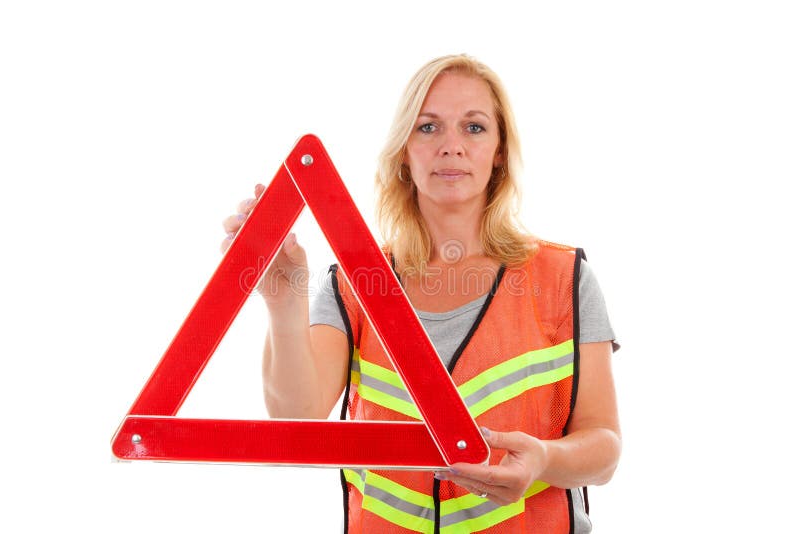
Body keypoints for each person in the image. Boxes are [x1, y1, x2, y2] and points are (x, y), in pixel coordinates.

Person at [221, 54, 621, 533]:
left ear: (499, 151)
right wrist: (284, 303)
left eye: (473, 128)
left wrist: (544, 460)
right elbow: (296, 420)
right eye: (428, 128)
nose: (451, 146)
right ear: (404, 153)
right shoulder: (353, 285)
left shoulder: (563, 279)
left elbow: (603, 449)